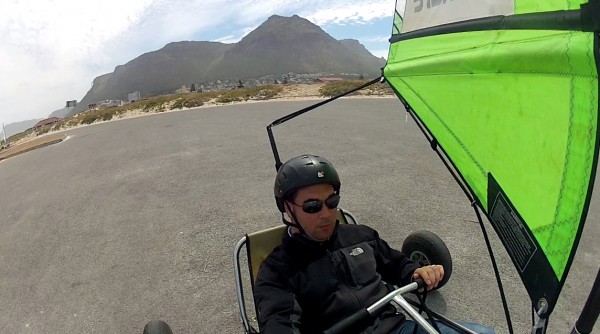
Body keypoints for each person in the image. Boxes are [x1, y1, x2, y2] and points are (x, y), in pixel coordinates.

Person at [253, 154, 495, 334]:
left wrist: (417, 272)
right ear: (287, 208)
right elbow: (279, 321)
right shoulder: (277, 270)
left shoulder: (360, 236)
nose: (326, 214)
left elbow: (397, 265)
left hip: (397, 328)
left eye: (332, 201)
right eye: (312, 206)